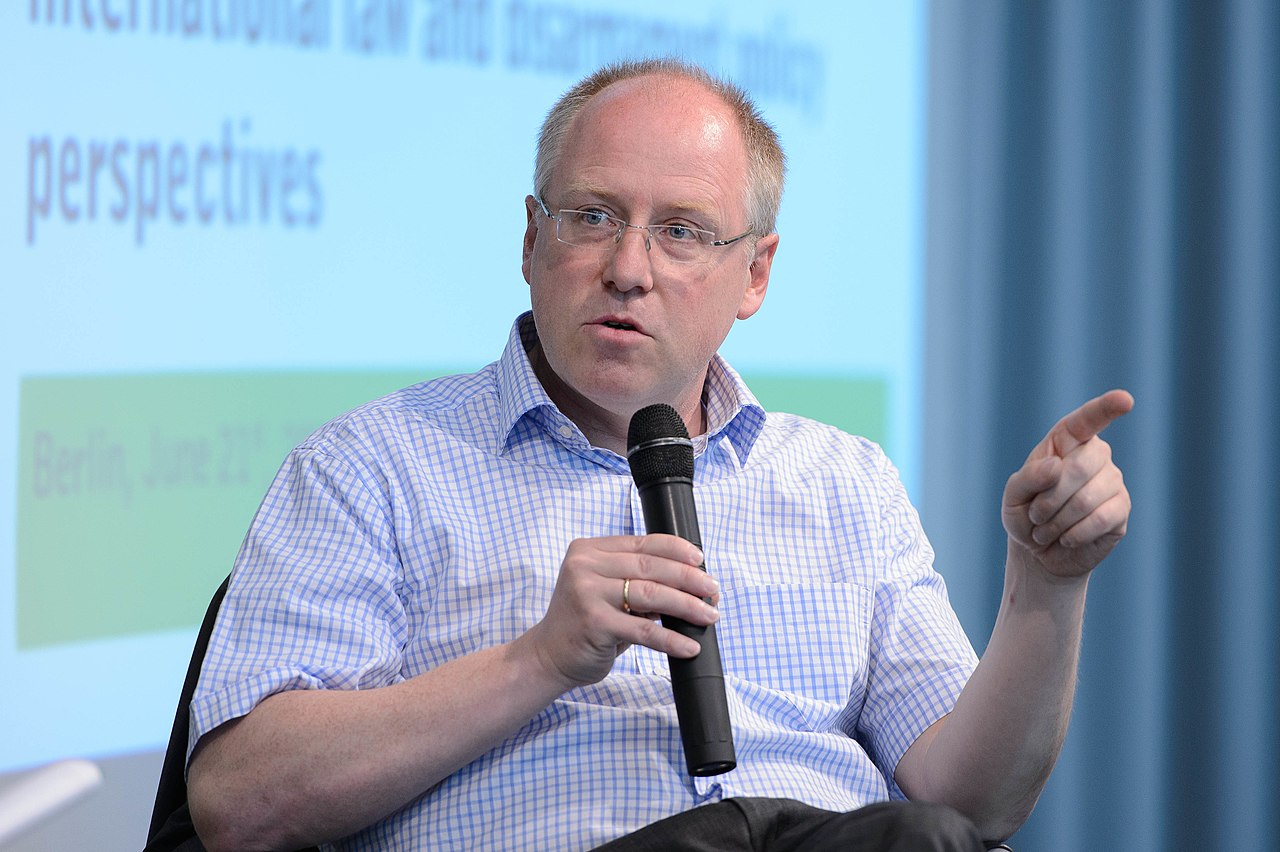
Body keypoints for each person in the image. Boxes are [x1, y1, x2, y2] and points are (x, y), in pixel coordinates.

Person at [186, 58, 1132, 851]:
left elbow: (971, 801)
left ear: (754, 274)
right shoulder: (372, 465)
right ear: (530, 238)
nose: (628, 267)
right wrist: (539, 661)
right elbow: (237, 802)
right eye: (592, 216)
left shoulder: (845, 481)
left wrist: (1048, 582)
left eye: (680, 232)